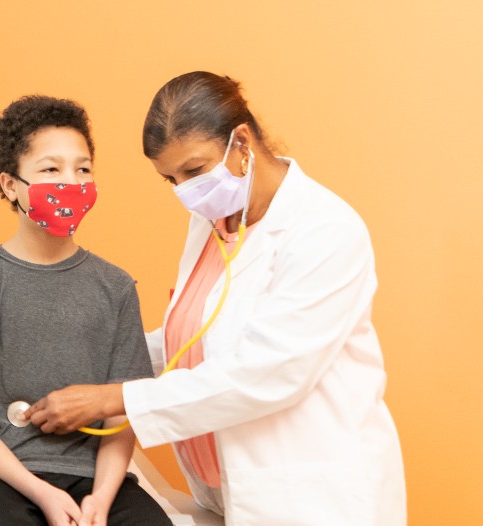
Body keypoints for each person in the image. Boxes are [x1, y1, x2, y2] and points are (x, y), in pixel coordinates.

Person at [24, 72, 407, 525]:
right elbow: (193, 335)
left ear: (241, 142)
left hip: (315, 501)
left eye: (194, 170)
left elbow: (268, 372)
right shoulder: (215, 219)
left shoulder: (325, 231)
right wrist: (90, 362)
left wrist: (114, 397)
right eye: (171, 179)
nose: (186, 191)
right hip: (229, 491)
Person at [0, 95, 171, 526]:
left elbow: (120, 416)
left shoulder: (115, 287)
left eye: (83, 169)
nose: (70, 183)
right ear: (9, 185)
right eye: (51, 169)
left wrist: (101, 501)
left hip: (94, 479)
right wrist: (43, 494)